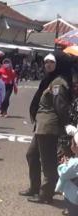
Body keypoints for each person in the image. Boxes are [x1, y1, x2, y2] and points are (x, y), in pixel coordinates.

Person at [20, 53, 73, 204]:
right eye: (46, 62)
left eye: (51, 62)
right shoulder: (49, 80)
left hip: (49, 126)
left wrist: (64, 128)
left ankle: (46, 193)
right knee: (31, 155)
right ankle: (35, 187)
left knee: (48, 161)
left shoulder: (58, 83)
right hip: (41, 126)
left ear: (58, 64)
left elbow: (61, 107)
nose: (47, 65)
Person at [54, 133, 78, 216]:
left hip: (73, 194)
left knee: (73, 215)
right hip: (73, 192)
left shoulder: (76, 162)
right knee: (73, 214)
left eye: (72, 143)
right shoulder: (75, 160)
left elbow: (64, 173)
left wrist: (63, 164)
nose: (70, 145)